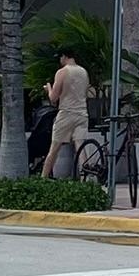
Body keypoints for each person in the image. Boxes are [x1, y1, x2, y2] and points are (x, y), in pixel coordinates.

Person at [40, 47, 90, 181]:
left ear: (64, 56)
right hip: (82, 113)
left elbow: (53, 98)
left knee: (54, 148)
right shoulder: (83, 72)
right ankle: (86, 180)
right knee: (80, 148)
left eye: (60, 58)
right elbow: (85, 93)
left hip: (66, 113)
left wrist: (48, 88)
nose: (60, 60)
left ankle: (43, 179)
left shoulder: (62, 72)